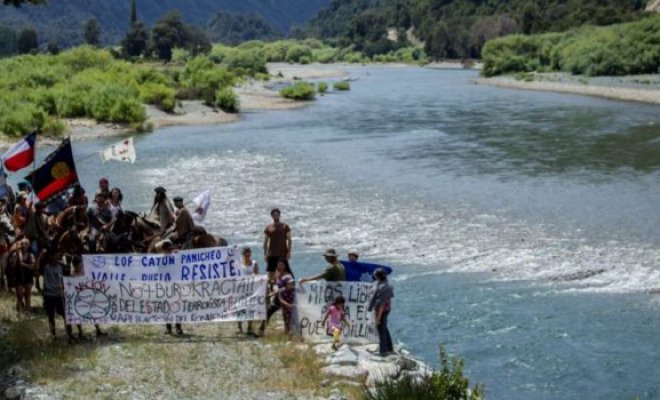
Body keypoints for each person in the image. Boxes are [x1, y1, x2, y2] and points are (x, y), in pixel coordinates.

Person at [41, 249, 75, 343]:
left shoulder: (62, 267)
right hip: (48, 294)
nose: (54, 258)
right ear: (49, 257)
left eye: (56, 256)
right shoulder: (45, 267)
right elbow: (35, 268)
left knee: (66, 315)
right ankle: (53, 336)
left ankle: (70, 335)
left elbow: (69, 279)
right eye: (52, 256)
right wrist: (41, 254)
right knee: (51, 316)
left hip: (59, 294)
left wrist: (63, 286)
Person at [70, 255, 106, 338]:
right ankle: (80, 332)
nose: (81, 265)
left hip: (88, 296)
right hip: (79, 298)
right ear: (76, 265)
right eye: (80, 264)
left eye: (82, 264)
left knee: (93, 313)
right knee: (78, 315)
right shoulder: (73, 275)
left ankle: (98, 330)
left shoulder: (85, 271)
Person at [260, 259, 296, 336]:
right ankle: (261, 330)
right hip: (278, 298)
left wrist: (273, 293)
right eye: (278, 264)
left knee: (286, 318)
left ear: (285, 265)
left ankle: (289, 335)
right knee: (268, 312)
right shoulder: (277, 273)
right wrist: (269, 282)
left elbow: (290, 287)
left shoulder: (288, 276)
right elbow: (275, 283)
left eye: (281, 264)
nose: (279, 266)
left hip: (287, 298)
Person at [159, 239, 183, 335]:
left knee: (177, 306)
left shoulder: (175, 258)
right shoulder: (162, 260)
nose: (169, 251)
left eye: (170, 249)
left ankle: (178, 327)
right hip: (167, 285)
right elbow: (159, 272)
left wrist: (179, 254)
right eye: (167, 250)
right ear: (164, 250)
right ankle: (169, 328)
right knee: (167, 307)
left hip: (176, 284)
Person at [368, 268, 394, 356]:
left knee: (381, 330)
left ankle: (383, 351)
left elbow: (381, 305)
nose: (374, 276)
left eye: (375, 275)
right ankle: (389, 348)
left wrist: (377, 319)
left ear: (378, 276)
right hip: (387, 309)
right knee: (384, 328)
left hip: (382, 311)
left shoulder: (382, 287)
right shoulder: (387, 284)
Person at [7, 238, 36, 313]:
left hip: (28, 276)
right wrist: (14, 252)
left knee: (28, 295)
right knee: (19, 296)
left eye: (25, 244)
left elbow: (33, 266)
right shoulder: (16, 254)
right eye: (22, 244)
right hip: (19, 276)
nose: (23, 245)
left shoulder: (31, 255)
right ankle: (19, 313)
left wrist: (24, 265)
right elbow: (10, 261)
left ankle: (27, 311)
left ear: (28, 245)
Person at [263, 208, 291, 283]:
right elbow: (265, 242)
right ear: (272, 216)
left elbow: (290, 240)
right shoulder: (268, 227)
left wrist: (289, 252)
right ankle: (271, 290)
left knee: (286, 273)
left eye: (277, 215)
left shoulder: (285, 226)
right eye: (274, 215)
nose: (276, 216)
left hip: (282, 254)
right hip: (271, 254)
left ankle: (286, 289)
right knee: (271, 275)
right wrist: (265, 254)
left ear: (279, 215)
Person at [237, 246, 259, 336]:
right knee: (240, 307)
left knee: (251, 307)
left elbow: (257, 275)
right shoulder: (238, 263)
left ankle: (250, 326)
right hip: (241, 289)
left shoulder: (254, 263)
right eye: (246, 255)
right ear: (243, 255)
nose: (247, 257)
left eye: (248, 255)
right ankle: (239, 327)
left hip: (251, 289)